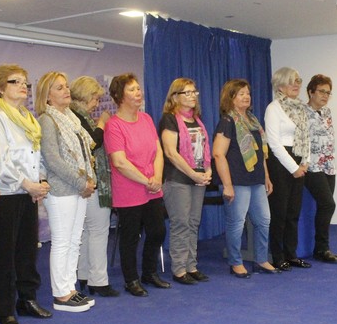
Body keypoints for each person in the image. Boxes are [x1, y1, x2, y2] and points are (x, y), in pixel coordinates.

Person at [0, 64, 52, 324]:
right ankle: (5, 309)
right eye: (16, 82)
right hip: (7, 194)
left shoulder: (28, 118)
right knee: (5, 254)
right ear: (0, 88)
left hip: (28, 192)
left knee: (27, 250)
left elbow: (37, 155)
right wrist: (28, 184)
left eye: (25, 82)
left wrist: (41, 180)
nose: (23, 86)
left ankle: (27, 299)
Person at [104, 73, 169, 297]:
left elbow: (158, 151)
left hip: (153, 186)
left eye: (138, 88)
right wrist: (146, 180)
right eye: (132, 89)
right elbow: (119, 162)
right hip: (129, 189)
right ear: (119, 96)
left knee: (158, 231)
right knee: (130, 237)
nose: (138, 93)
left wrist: (157, 177)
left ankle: (149, 273)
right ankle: (131, 279)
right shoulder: (114, 126)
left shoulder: (147, 119)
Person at [36, 71, 96, 310]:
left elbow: (83, 155)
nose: (66, 91)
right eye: (59, 88)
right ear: (47, 95)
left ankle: (70, 288)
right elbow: (53, 160)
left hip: (78, 188)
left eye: (66, 86)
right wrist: (82, 183)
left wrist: (87, 181)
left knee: (74, 240)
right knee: (62, 241)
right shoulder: (47, 120)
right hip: (62, 190)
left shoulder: (71, 118)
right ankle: (61, 293)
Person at [213, 79, 276, 278]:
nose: (246, 96)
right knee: (237, 223)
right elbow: (218, 154)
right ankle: (235, 262)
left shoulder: (253, 120)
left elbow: (261, 154)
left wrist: (266, 177)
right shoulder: (227, 121)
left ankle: (261, 259)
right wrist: (227, 185)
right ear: (230, 98)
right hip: (237, 180)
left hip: (256, 179)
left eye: (248, 93)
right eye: (241, 93)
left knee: (264, 220)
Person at [158, 78, 212, 285]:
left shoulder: (197, 120)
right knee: (181, 223)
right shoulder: (169, 119)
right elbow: (171, 153)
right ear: (175, 97)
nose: (192, 96)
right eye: (186, 92)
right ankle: (179, 269)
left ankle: (191, 266)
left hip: (198, 178)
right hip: (178, 179)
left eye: (194, 92)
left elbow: (204, 151)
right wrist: (193, 174)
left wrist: (207, 170)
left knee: (193, 223)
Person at [70, 76, 118, 297]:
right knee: (98, 232)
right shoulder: (78, 118)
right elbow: (92, 143)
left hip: (85, 182)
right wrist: (102, 123)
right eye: (95, 99)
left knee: (88, 232)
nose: (97, 104)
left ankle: (84, 275)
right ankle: (99, 281)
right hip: (91, 182)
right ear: (86, 96)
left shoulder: (74, 116)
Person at [264, 67, 311, 271]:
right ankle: (278, 256)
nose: (296, 85)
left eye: (298, 81)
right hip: (281, 163)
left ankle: (291, 254)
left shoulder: (300, 108)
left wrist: (305, 161)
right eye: (292, 81)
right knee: (280, 212)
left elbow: (306, 136)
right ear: (280, 85)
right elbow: (274, 143)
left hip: (299, 160)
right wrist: (293, 167)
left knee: (293, 211)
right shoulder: (273, 108)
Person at [304, 74, 337, 264]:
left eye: (328, 93)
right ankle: (322, 248)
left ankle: (322, 247)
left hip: (328, 165)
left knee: (324, 206)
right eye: (321, 91)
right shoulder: (302, 112)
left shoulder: (327, 112)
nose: (325, 96)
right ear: (311, 92)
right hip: (311, 166)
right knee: (328, 204)